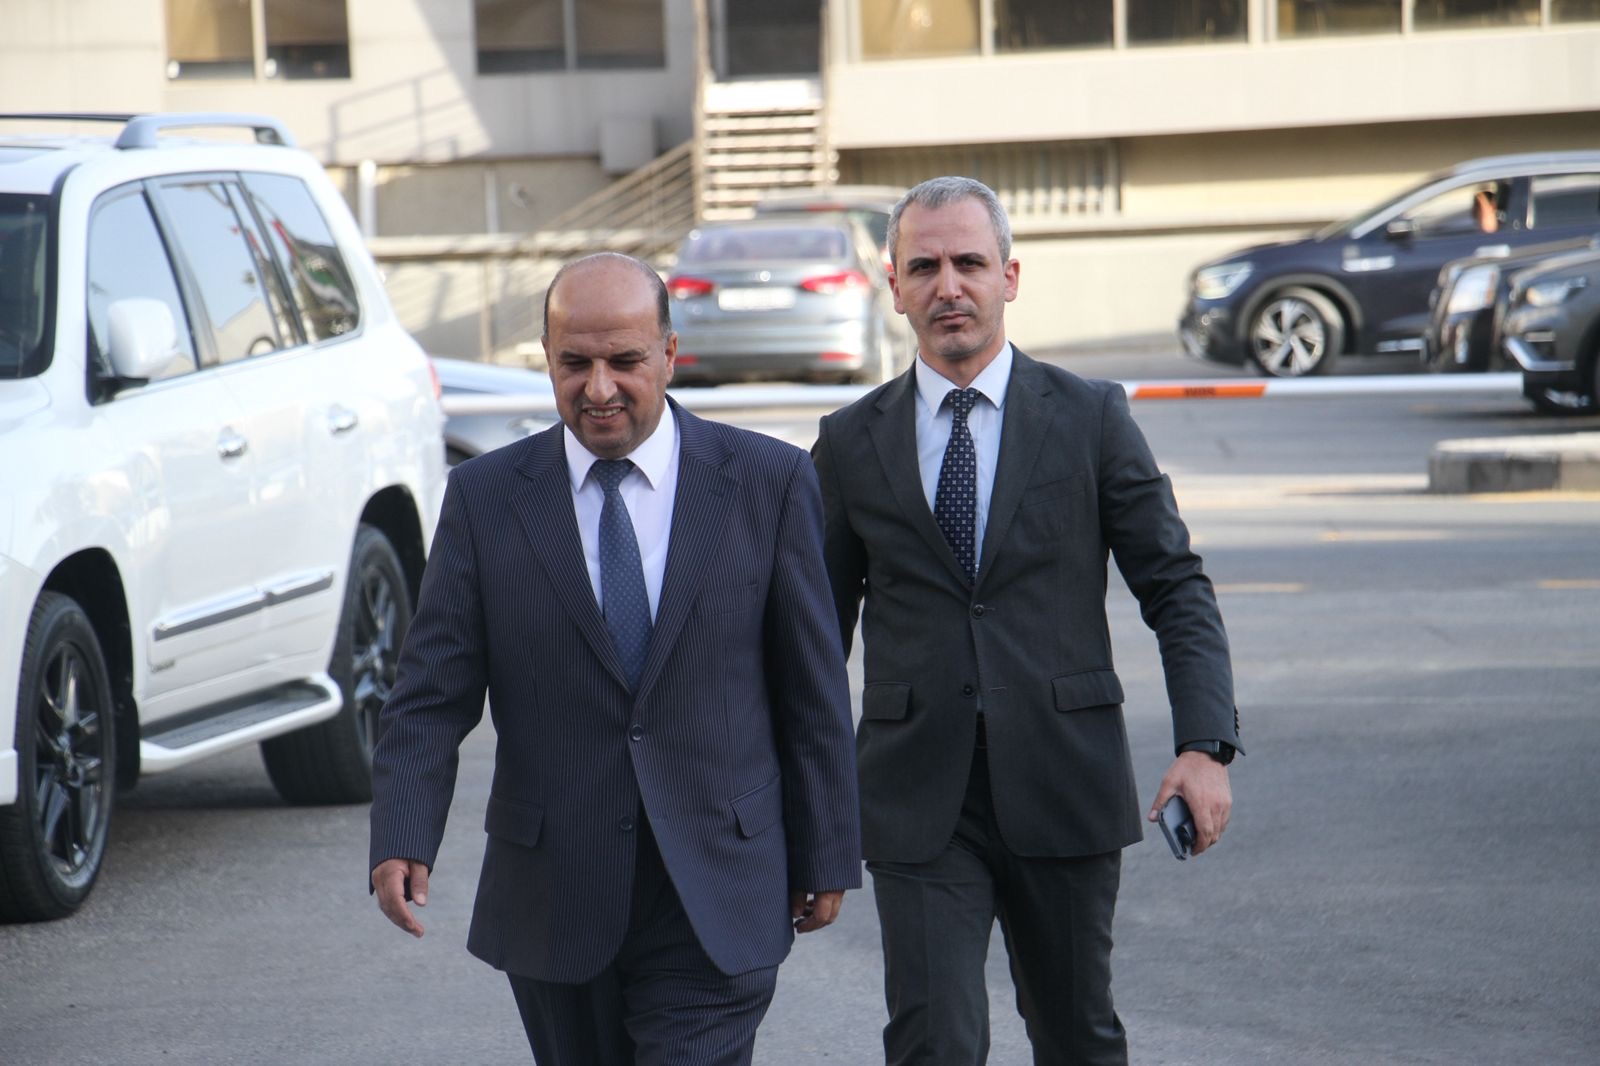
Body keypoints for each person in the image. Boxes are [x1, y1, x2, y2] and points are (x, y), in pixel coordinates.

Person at [369, 252, 862, 1066]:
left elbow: (811, 687)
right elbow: (430, 692)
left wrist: (826, 848)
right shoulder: (486, 499)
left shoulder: (767, 482)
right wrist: (402, 832)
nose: (599, 388)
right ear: (546, 358)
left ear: (669, 354)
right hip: (556, 889)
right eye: (575, 364)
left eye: (625, 361)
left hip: (718, 881)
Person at [811, 177, 1241, 1066]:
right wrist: (804, 806)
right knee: (934, 1043)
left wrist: (1205, 746)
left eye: (969, 263)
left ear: (1009, 276)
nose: (948, 287)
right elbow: (816, 633)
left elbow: (1175, 586)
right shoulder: (850, 442)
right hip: (916, 796)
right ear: (894, 287)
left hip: (1064, 780)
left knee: (1077, 1037)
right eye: (924, 267)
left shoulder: (1089, 418)